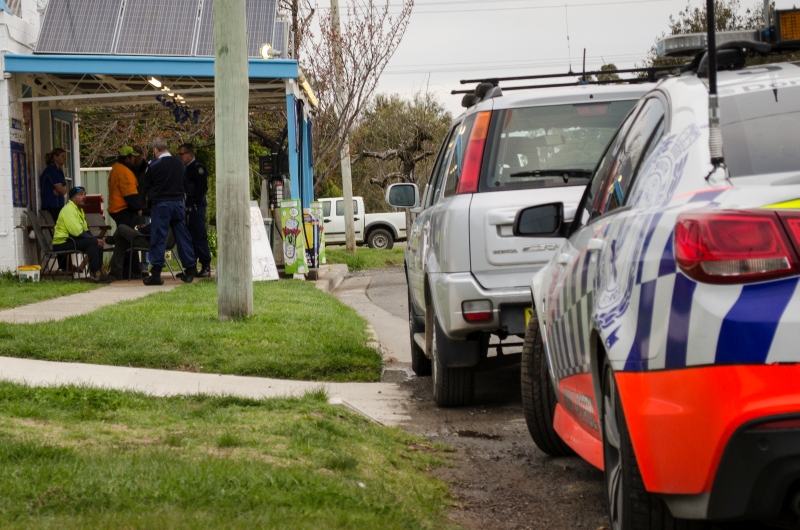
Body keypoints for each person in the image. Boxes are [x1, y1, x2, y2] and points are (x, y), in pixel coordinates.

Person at [143, 137, 197, 286]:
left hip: (162, 206)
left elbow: (146, 183)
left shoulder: (154, 165)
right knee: (182, 236)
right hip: (177, 204)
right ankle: (190, 269)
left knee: (158, 237)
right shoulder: (180, 164)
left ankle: (156, 273)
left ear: (155, 150)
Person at [51, 187, 113, 283]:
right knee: (93, 241)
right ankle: (94, 274)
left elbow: (86, 230)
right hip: (61, 243)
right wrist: (94, 240)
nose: (84, 197)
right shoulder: (69, 210)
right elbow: (76, 232)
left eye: (84, 194)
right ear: (73, 198)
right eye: (81, 194)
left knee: (98, 239)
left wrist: (96, 239)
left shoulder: (79, 210)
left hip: (71, 240)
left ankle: (99, 272)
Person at [107, 146, 144, 279]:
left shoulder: (115, 169)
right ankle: (131, 270)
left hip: (116, 209)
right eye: (133, 157)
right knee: (130, 240)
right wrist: (138, 208)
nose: (135, 159)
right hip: (123, 210)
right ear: (127, 157)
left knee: (126, 240)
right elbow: (130, 194)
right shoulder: (124, 172)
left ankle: (127, 270)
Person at [177, 144, 212, 278]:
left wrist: (196, 203)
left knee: (199, 235)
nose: (180, 157)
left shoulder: (198, 167)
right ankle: (192, 267)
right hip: (187, 206)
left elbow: (202, 188)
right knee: (188, 237)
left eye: (182, 154)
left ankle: (205, 266)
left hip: (196, 206)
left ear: (190, 154)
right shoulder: (184, 168)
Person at [40, 148, 68, 222]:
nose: (65, 158)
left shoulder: (60, 171)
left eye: (65, 156)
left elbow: (64, 189)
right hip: (51, 206)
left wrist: (62, 190)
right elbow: (61, 189)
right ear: (55, 157)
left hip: (59, 205)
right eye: (62, 156)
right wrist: (61, 190)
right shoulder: (51, 170)